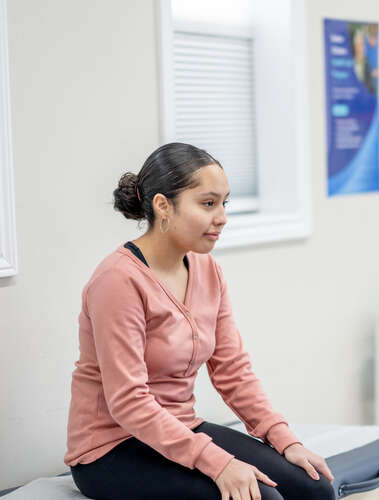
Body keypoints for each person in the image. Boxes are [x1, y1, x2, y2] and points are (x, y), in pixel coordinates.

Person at [64, 143, 335, 500]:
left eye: (224, 203)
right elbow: (128, 401)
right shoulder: (117, 281)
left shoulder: (207, 270)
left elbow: (232, 370)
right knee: (260, 499)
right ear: (163, 205)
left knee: (315, 488)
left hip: (180, 429)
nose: (221, 216)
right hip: (111, 449)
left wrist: (284, 439)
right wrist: (217, 462)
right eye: (208, 204)